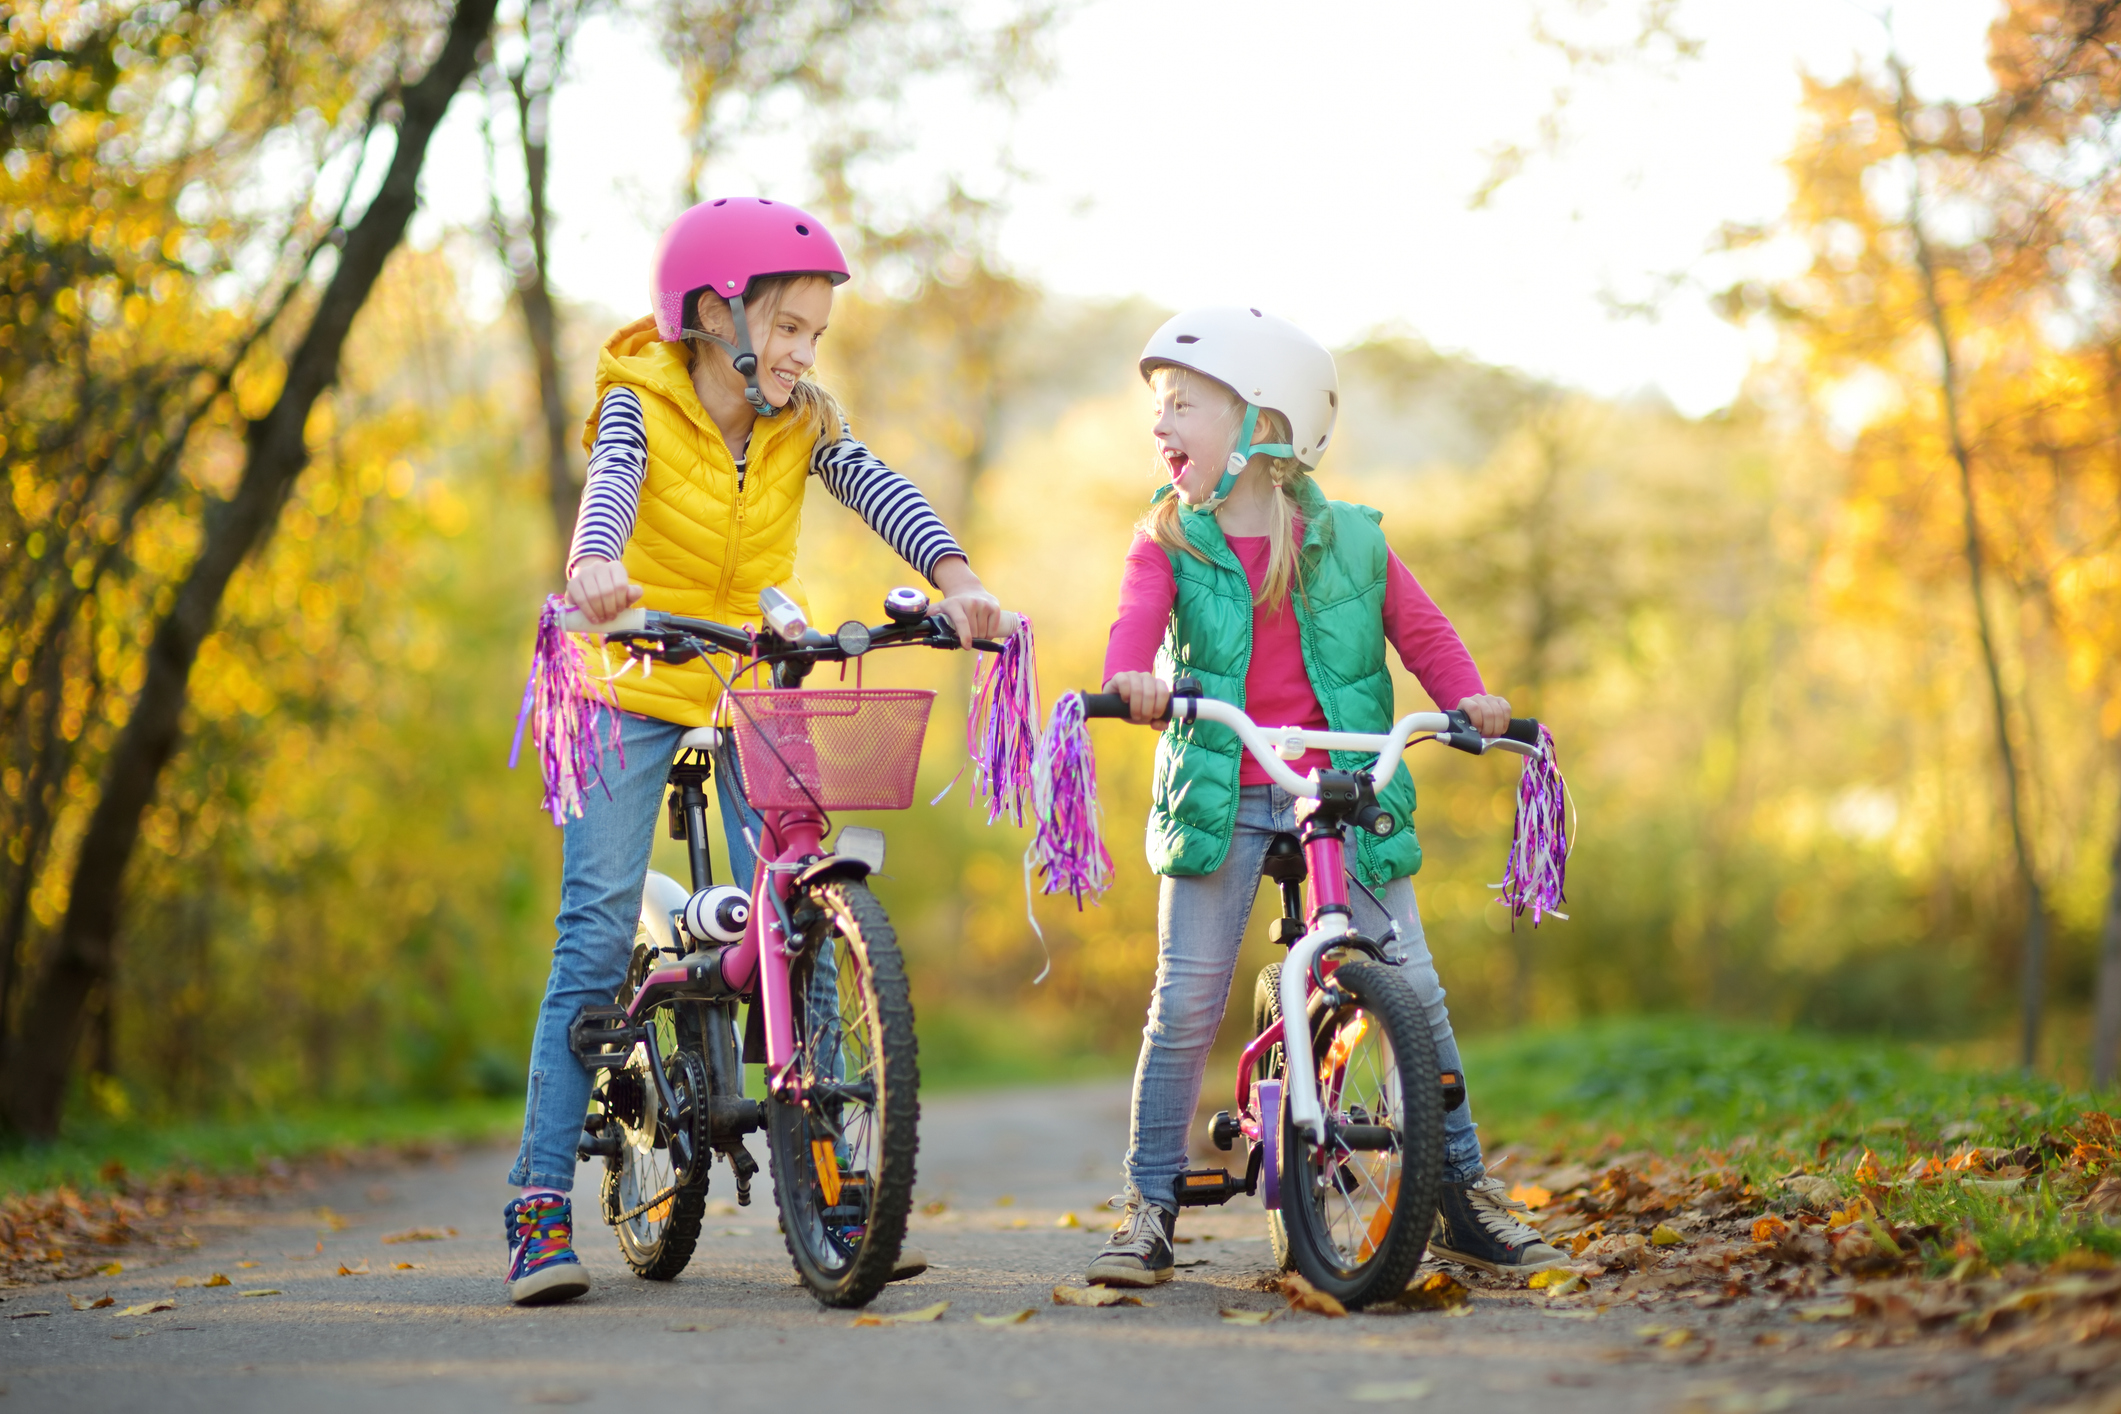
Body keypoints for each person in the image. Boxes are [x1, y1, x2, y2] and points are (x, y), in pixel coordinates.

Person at [504, 197, 1003, 1306]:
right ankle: (538, 1203)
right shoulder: (642, 401)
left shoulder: (801, 419)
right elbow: (612, 492)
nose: (801, 354)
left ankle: (826, 1181)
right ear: (711, 316)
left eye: (815, 335)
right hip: (631, 666)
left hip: (743, 670)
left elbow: (877, 486)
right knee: (593, 927)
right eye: (787, 328)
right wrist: (595, 569)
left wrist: (958, 578)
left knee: (802, 908)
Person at [1083, 306, 1565, 1288]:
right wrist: (1130, 677)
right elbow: (1135, 626)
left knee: (1416, 986)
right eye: (1157, 406)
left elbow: (1421, 630)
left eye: (1183, 403)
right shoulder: (1169, 539)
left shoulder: (1350, 542)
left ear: (1264, 420)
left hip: (1340, 791)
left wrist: (1465, 697)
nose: (1160, 423)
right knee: (1184, 1001)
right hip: (1224, 782)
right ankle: (1150, 1206)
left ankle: (1460, 1194)